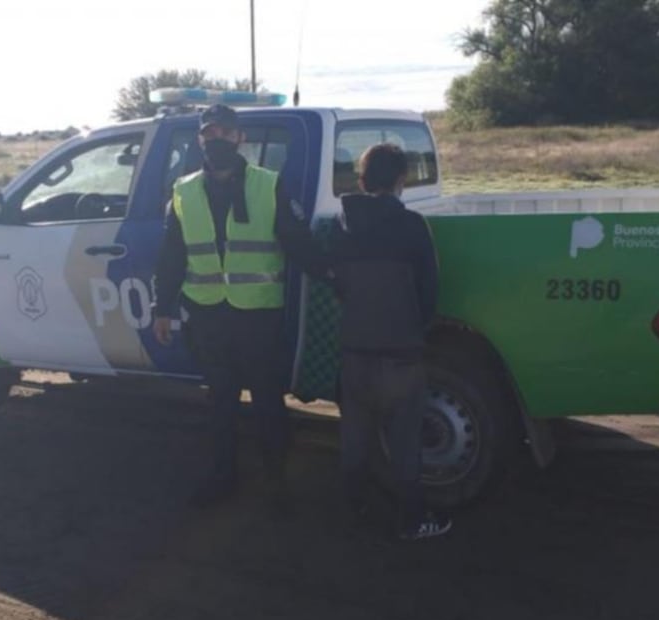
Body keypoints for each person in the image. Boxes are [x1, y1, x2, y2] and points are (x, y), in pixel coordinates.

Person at [152, 104, 331, 507]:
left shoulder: (269, 185)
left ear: (239, 139)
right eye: (209, 133)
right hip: (208, 315)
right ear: (200, 139)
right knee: (220, 403)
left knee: (268, 402)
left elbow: (297, 242)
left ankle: (276, 482)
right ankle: (222, 477)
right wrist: (162, 308)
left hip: (257, 318)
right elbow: (172, 256)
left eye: (224, 133)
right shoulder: (183, 192)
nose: (217, 140)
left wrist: (333, 276)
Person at [331, 143, 452, 541]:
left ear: (362, 181)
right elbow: (429, 290)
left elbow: (339, 287)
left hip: (354, 352)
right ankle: (413, 520)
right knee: (404, 445)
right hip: (401, 353)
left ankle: (353, 510)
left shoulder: (341, 225)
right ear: (402, 181)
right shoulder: (413, 227)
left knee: (355, 440)